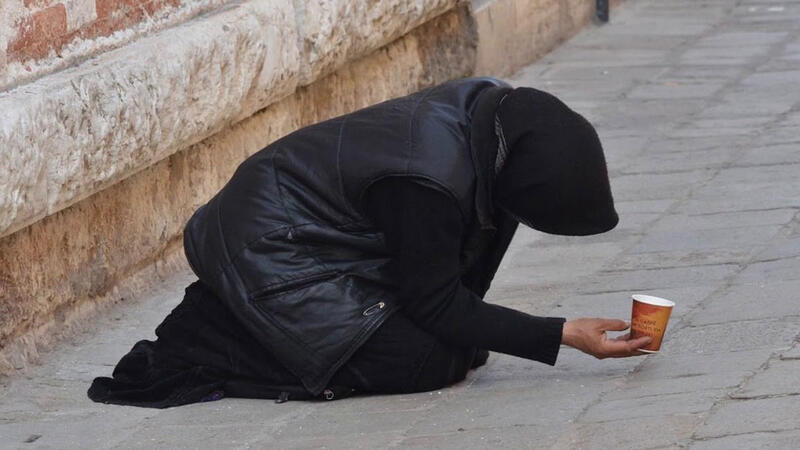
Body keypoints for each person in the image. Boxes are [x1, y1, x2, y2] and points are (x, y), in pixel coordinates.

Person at [88, 77, 651, 408]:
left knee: (465, 346)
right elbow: (437, 305)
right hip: (265, 245)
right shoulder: (428, 180)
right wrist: (563, 335)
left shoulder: (494, 124)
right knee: (425, 361)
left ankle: (259, 323)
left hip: (317, 232)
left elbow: (458, 285)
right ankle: (220, 335)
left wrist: (475, 324)